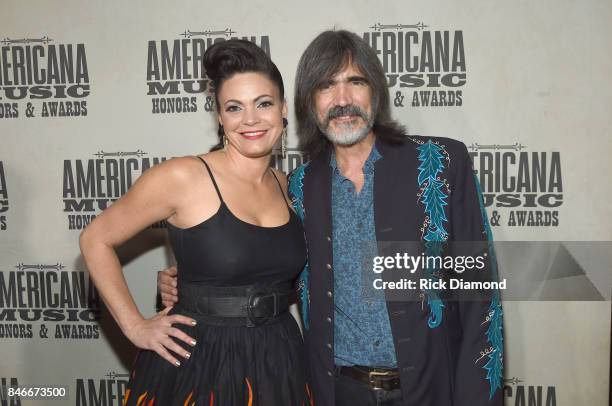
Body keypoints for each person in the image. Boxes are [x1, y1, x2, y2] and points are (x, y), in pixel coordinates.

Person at [160, 30, 504, 406]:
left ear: (375, 90)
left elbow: (478, 293)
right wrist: (190, 283)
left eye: (355, 82)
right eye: (326, 86)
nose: (342, 100)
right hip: (336, 392)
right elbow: (262, 265)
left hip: (431, 389)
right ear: (309, 102)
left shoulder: (440, 163)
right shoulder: (299, 187)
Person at [80, 39, 312, 405]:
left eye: (263, 104)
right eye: (234, 107)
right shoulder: (183, 177)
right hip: (200, 359)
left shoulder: (287, 186)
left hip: (279, 354)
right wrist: (135, 326)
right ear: (220, 117)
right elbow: (96, 239)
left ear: (283, 110)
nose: (250, 119)